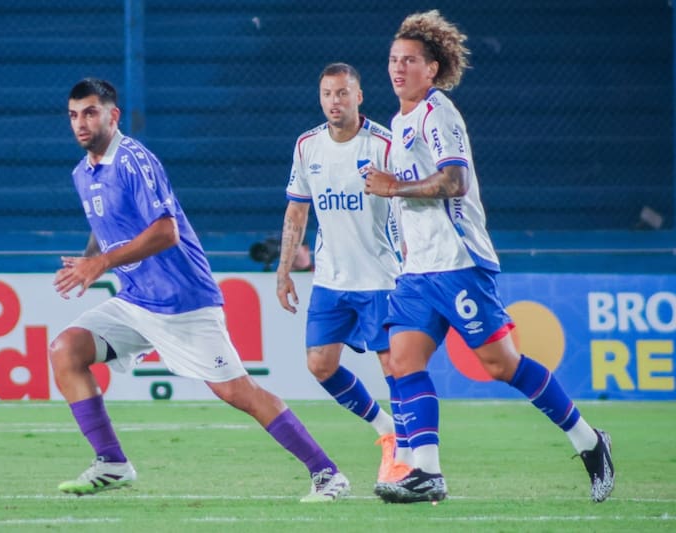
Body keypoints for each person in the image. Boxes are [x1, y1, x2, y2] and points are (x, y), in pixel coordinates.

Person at [50, 77, 350, 502]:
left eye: (90, 112)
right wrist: (88, 262)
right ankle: (112, 461)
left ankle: (327, 474)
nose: (81, 123)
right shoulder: (83, 173)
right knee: (66, 349)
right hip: (136, 299)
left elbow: (166, 231)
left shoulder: (135, 161)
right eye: (74, 115)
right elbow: (104, 227)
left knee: (237, 392)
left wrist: (100, 263)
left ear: (112, 116)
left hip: (181, 301)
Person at [364, 10, 615, 504]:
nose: (398, 68)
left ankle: (589, 441)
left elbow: (453, 181)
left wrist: (395, 187)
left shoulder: (440, 114)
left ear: (432, 68)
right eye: (394, 59)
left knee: (502, 365)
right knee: (401, 361)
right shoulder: (398, 121)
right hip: (418, 271)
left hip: (458, 263)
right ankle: (426, 473)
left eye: (410, 60)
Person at [276, 63, 411, 485]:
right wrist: (283, 270)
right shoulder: (307, 146)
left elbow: (410, 204)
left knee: (396, 368)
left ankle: (406, 458)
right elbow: (297, 209)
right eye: (327, 94)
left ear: (359, 96)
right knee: (319, 365)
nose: (335, 101)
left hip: (382, 279)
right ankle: (384, 429)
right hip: (331, 280)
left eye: (342, 93)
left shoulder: (385, 144)